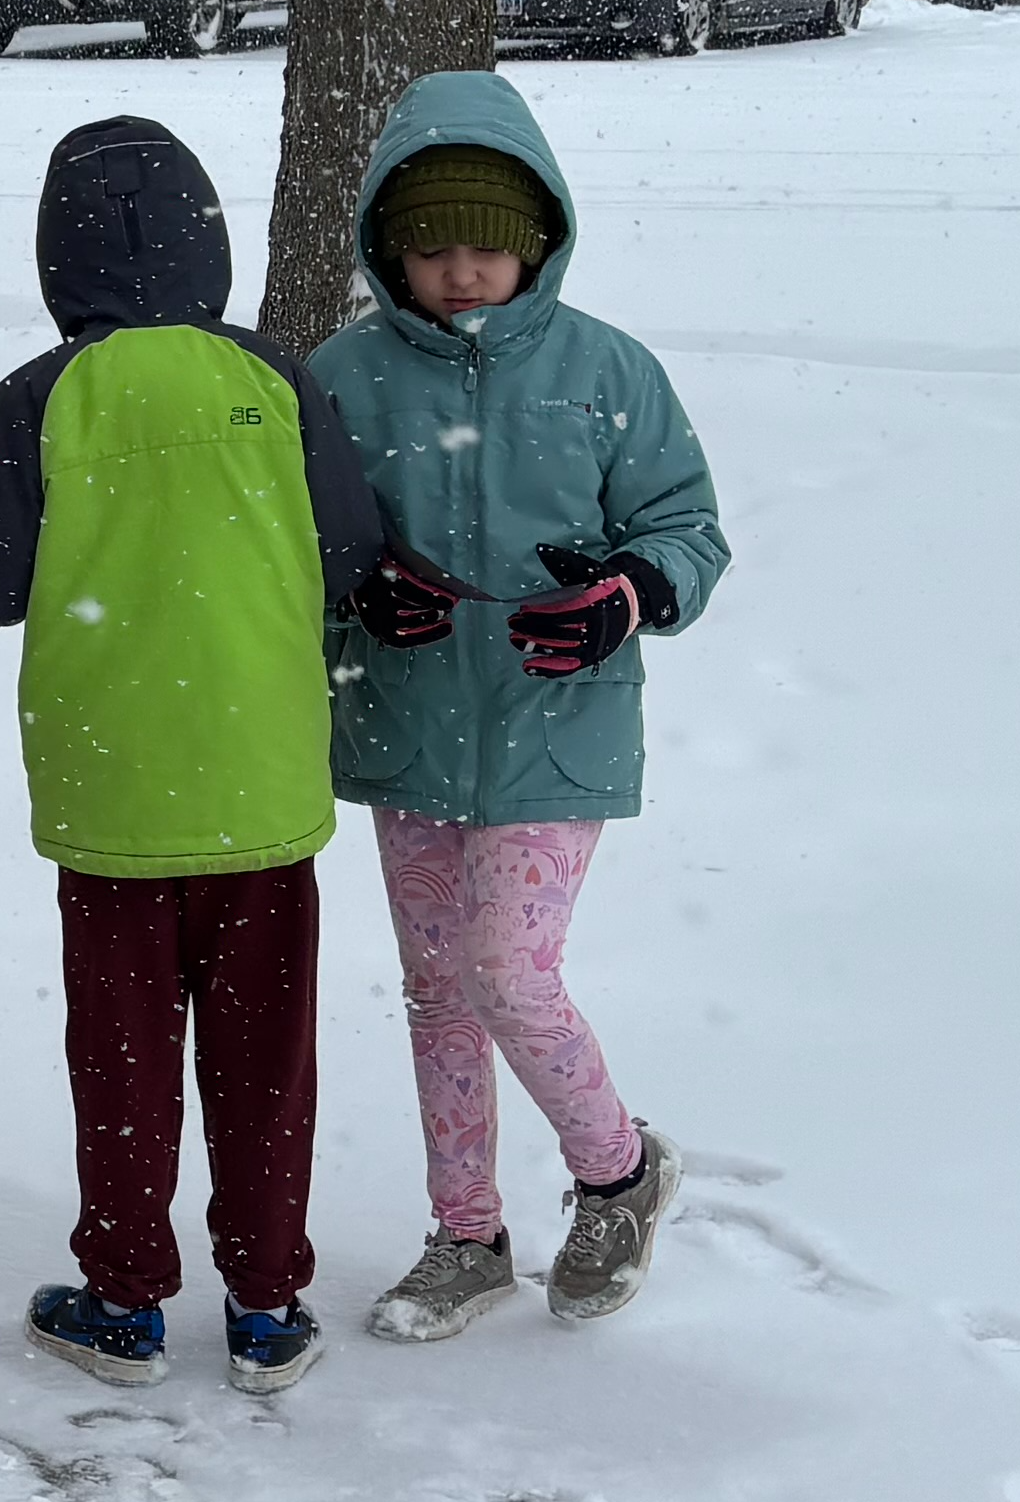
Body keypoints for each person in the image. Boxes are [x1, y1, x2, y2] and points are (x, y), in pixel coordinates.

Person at [0, 117, 384, 1398]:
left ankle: (124, 1298)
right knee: (264, 1052)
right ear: (210, 242)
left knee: (121, 1054)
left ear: (58, 254)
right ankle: (268, 1302)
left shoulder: (45, 394)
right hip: (263, 789)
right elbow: (350, 554)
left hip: (113, 792)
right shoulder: (279, 382)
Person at [314, 72, 729, 1342]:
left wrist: (628, 595)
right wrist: (360, 597)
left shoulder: (609, 368)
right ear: (392, 247)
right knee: (438, 989)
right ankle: (468, 1236)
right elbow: (304, 548)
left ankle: (618, 1174)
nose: (461, 273)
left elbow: (688, 530)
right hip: (410, 725)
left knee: (508, 969)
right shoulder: (342, 375)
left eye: (487, 246)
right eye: (431, 249)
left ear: (536, 238)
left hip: (560, 724)